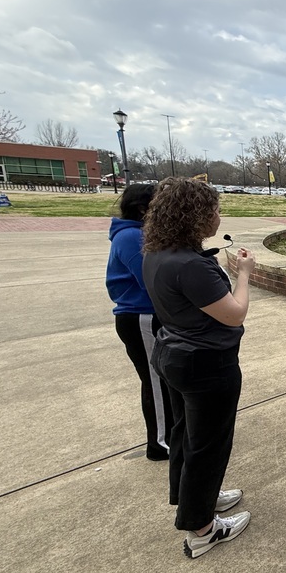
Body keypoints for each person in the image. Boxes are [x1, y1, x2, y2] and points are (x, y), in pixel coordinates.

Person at [142, 177, 253, 559]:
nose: (218, 216)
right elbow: (234, 314)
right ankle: (202, 530)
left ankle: (195, 500)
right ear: (195, 216)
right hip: (206, 365)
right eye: (214, 210)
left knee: (186, 436)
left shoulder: (157, 254)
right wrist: (244, 274)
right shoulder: (190, 265)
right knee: (209, 445)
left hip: (174, 355)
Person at [105, 183, 172, 461]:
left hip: (149, 315)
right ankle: (160, 443)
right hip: (141, 317)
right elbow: (151, 281)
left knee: (164, 379)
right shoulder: (131, 237)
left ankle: (168, 434)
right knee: (155, 379)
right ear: (144, 209)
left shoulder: (138, 234)